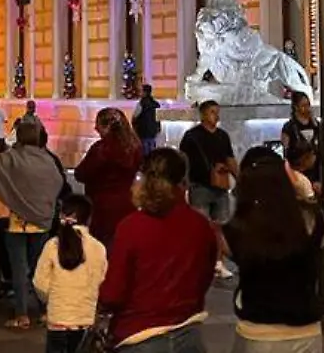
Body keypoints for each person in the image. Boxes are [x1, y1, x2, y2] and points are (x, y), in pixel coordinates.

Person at [96, 147, 217, 351]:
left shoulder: (131, 227)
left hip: (139, 334)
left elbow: (114, 293)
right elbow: (205, 276)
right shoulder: (200, 225)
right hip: (188, 331)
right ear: (183, 182)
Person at [225, 148, 324, 352]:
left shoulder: (238, 227)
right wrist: (301, 189)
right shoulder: (311, 221)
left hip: (258, 332)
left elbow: (230, 252)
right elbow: (322, 240)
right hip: (306, 331)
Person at [0, 120, 68, 330]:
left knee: (19, 268)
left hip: (15, 223)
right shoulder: (47, 160)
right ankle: (44, 310)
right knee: (41, 267)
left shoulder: (8, 159)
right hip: (41, 222)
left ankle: (21, 314)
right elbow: (58, 183)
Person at [33, 194, 107, 353]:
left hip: (57, 320)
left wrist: (52, 299)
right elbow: (102, 280)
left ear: (61, 215)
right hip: (85, 320)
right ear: (89, 219)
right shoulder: (98, 248)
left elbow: (40, 283)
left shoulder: (52, 245)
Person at [178, 100, 237, 280]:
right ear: (203, 114)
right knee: (201, 227)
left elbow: (229, 158)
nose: (216, 116)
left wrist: (238, 177)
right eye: (212, 112)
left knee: (219, 226)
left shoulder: (222, 136)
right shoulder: (191, 136)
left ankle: (217, 263)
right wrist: (185, 183)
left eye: (217, 112)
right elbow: (184, 161)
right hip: (200, 186)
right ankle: (199, 262)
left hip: (220, 186)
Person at [74, 108, 141, 245]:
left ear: (107, 127)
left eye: (98, 124)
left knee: (103, 248)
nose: (95, 128)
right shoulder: (135, 147)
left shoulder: (101, 149)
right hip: (128, 203)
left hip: (101, 208)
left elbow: (81, 174)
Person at [133, 84, 162, 157]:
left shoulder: (141, 104)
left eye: (141, 91)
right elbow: (158, 117)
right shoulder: (156, 104)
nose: (140, 93)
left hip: (143, 131)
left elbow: (135, 116)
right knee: (152, 150)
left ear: (145, 92)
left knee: (144, 152)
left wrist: (134, 125)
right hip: (153, 131)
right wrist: (158, 128)